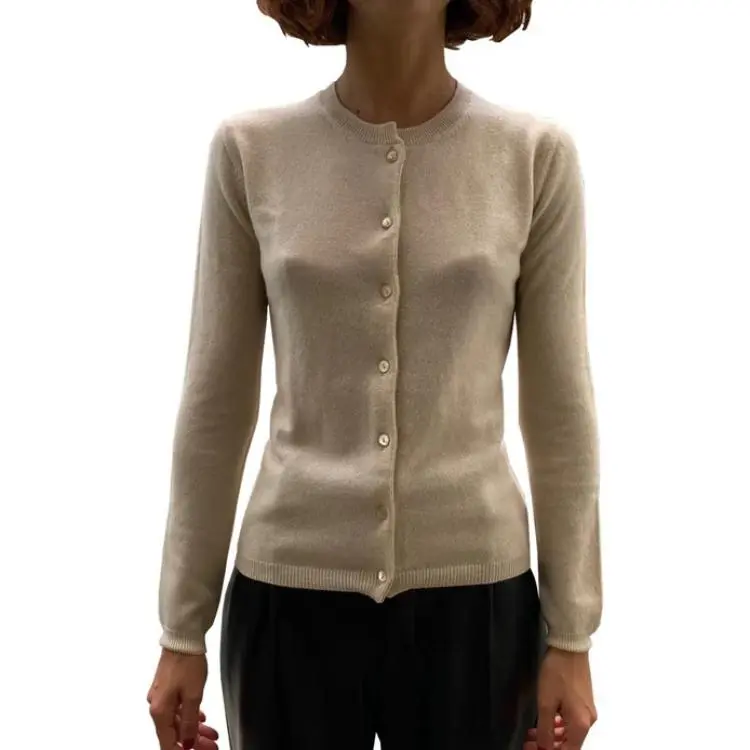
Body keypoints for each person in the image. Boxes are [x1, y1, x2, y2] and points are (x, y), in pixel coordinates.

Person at [146, 1, 602, 748]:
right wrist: (181, 630)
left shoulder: (531, 158)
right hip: (288, 598)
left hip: (479, 604)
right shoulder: (252, 153)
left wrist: (572, 635)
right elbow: (214, 406)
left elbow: (560, 414)